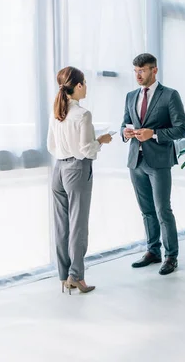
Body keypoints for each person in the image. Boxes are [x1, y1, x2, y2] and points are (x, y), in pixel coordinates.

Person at [47, 66, 113, 294]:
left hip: (59, 169)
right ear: (77, 86)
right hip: (77, 169)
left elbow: (51, 146)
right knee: (78, 226)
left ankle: (64, 276)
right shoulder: (83, 114)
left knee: (61, 225)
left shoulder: (57, 111)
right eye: (84, 83)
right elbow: (87, 150)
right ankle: (76, 276)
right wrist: (101, 140)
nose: (86, 87)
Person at [121, 53, 185, 275]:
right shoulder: (130, 96)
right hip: (136, 161)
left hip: (159, 161)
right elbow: (124, 123)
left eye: (143, 70)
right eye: (136, 71)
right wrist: (125, 132)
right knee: (146, 210)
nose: (138, 75)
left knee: (162, 210)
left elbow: (181, 129)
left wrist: (154, 134)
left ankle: (171, 256)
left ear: (154, 70)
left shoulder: (169, 95)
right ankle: (153, 250)